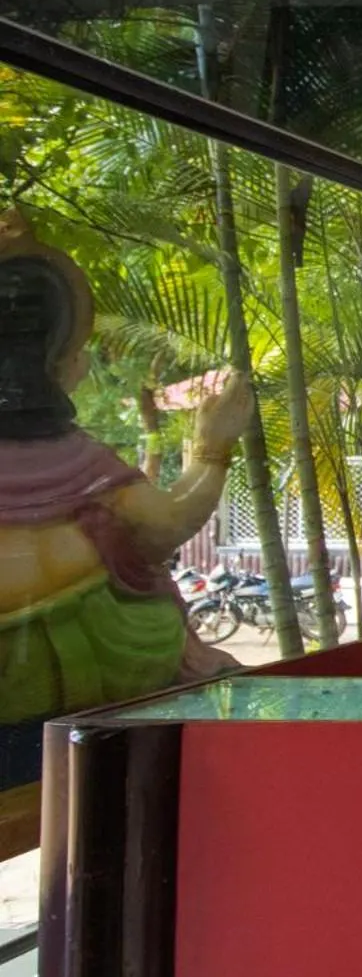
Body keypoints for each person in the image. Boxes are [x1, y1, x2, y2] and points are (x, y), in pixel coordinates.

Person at [0, 210, 250, 722]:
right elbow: (166, 524)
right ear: (64, 362)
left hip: (93, 676)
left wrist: (211, 448)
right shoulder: (87, 465)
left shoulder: (84, 464)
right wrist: (211, 449)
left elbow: (163, 527)